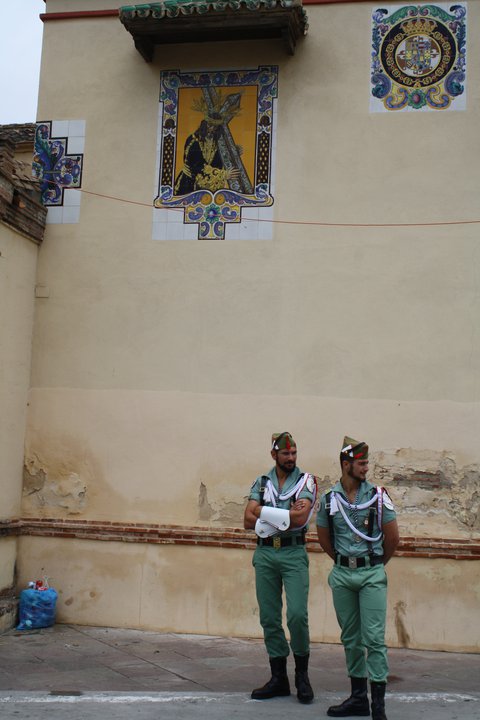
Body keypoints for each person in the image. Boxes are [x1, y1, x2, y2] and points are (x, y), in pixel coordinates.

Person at [316, 436, 399, 720]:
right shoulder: (329, 499)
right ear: (346, 464)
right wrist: (343, 562)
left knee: (374, 638)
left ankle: (379, 706)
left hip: (370, 573)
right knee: (350, 638)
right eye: (361, 463)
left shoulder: (378, 495)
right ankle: (358, 698)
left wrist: (375, 565)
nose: (366, 468)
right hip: (342, 574)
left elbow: (392, 538)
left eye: (366, 463)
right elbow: (324, 538)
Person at [244, 432, 317, 704]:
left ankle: (302, 675)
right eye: (285, 453)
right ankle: (279, 678)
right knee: (269, 617)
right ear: (274, 454)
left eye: (294, 453)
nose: (291, 458)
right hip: (265, 552)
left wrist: (262, 512)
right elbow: (246, 520)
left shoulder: (306, 481)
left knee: (297, 615)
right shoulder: (262, 482)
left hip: (293, 553)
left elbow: (299, 519)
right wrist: (284, 516)